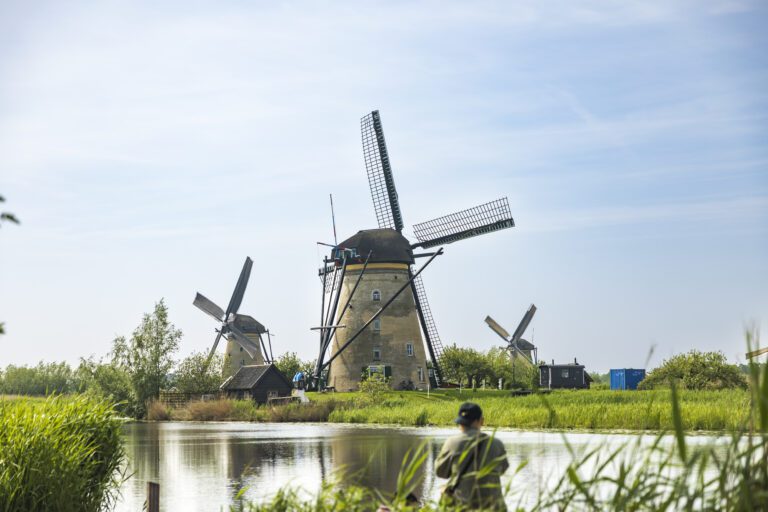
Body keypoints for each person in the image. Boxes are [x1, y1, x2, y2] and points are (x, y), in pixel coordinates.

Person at [436, 402, 509, 510]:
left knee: (444, 489)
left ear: (460, 423)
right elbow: (503, 469)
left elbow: (441, 472)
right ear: (481, 421)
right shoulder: (496, 443)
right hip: (494, 508)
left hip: (463, 507)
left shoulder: (452, 443)